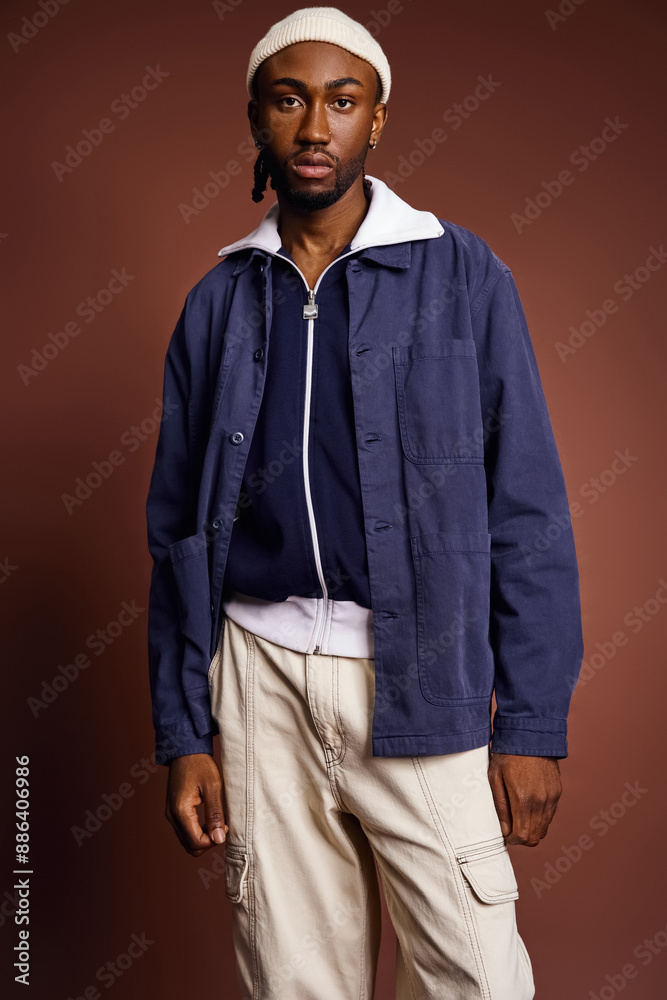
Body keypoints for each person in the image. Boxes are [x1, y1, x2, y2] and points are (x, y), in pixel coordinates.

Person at [145, 7, 584, 998]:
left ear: (376, 121)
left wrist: (531, 721)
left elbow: (528, 504)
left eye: (341, 102)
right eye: (289, 99)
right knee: (295, 977)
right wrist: (184, 732)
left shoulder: (460, 272)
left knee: (477, 976)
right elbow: (175, 528)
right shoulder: (219, 299)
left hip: (418, 672)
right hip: (254, 683)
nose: (314, 128)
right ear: (257, 115)